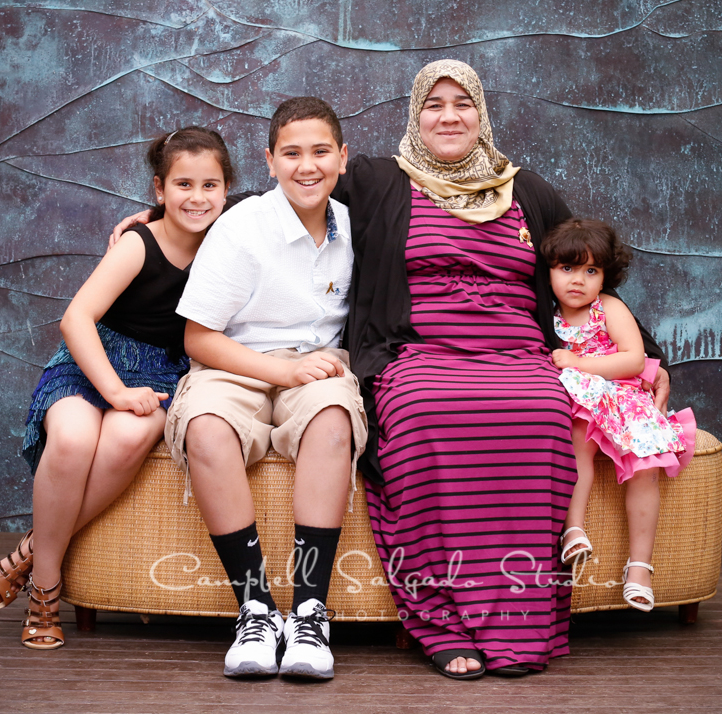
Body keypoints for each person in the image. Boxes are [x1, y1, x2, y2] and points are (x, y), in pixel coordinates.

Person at [111, 62, 672, 678]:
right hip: (418, 355)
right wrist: (162, 221)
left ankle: (519, 622)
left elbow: (582, 263)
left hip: (518, 357)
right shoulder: (381, 180)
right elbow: (292, 191)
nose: (449, 116)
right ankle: (443, 620)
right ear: (415, 114)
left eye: (463, 104)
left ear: (480, 113)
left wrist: (645, 352)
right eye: (435, 104)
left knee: (540, 411)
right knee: (423, 412)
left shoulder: (526, 190)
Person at [0, 126, 233, 649]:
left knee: (127, 439)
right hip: (94, 362)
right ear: (159, 190)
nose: (197, 198)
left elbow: (301, 195)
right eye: (183, 185)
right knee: (72, 439)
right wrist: (114, 391)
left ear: (228, 190)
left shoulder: (233, 235)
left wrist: (130, 400)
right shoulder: (138, 243)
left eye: (211, 185)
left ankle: (27, 554)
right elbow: (77, 319)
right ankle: (46, 591)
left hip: (161, 371)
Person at [164, 96, 367, 680]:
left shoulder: (353, 225)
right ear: (270, 161)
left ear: (343, 158)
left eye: (321, 151)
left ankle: (308, 613)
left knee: (331, 420)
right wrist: (278, 372)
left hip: (319, 363)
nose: (308, 165)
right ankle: (255, 608)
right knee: (203, 425)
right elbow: (199, 339)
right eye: (292, 153)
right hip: (235, 362)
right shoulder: (241, 227)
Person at [542, 218, 696, 612]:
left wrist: (578, 362)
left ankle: (640, 567)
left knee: (645, 466)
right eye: (567, 268)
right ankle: (573, 529)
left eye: (591, 271)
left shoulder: (608, 307)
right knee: (577, 442)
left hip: (622, 396)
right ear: (549, 271)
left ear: (606, 276)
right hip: (581, 402)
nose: (578, 280)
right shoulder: (545, 312)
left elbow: (632, 359)